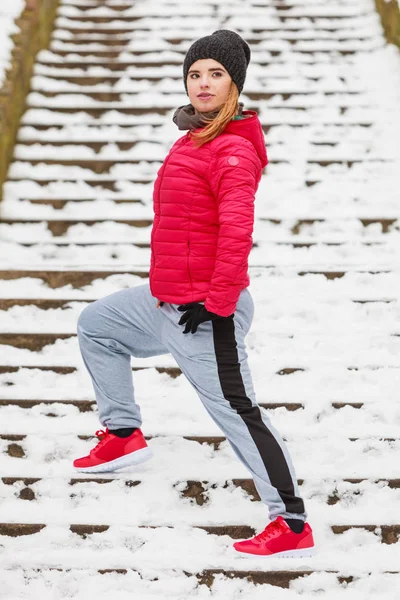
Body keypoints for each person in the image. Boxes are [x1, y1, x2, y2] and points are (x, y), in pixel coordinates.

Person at [74, 30, 315, 558]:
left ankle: (292, 522)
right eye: (195, 73)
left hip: (207, 310)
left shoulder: (231, 149)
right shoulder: (194, 138)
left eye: (216, 74)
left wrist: (218, 303)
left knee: (237, 411)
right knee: (97, 325)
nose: (202, 83)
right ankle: (122, 433)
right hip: (165, 301)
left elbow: (236, 231)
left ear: (235, 85)